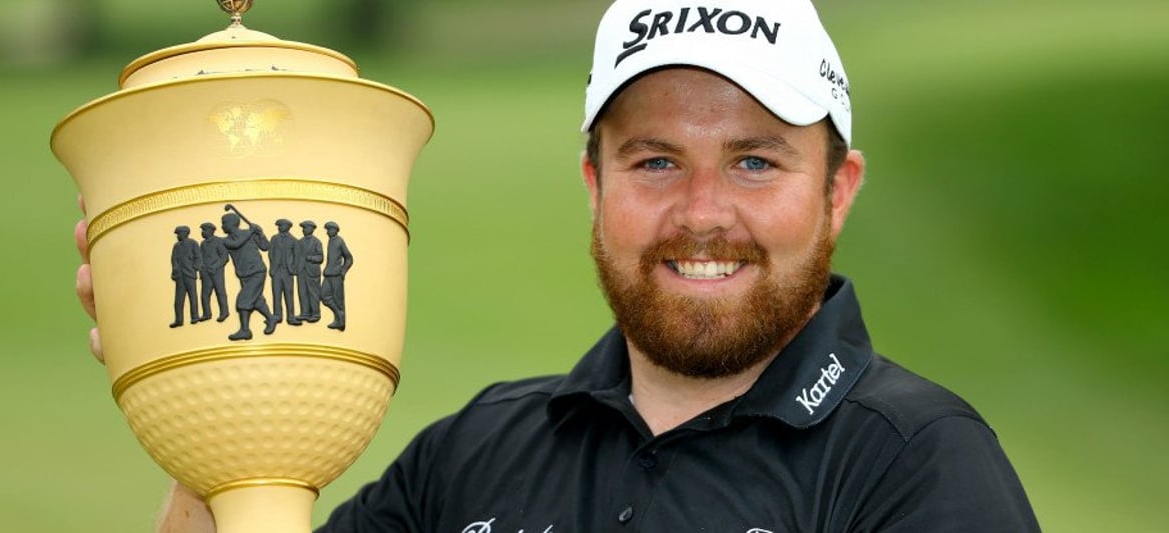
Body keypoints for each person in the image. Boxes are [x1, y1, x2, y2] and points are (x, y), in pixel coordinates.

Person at [73, 0, 1040, 530]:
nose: (702, 214)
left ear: (837, 189)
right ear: (594, 183)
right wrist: (212, 408)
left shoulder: (920, 467)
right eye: (655, 160)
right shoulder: (470, 458)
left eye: (754, 159)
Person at [220, 212, 277, 341]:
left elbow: (265, 246)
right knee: (256, 300)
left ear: (232, 224)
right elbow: (237, 244)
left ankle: (245, 330)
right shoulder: (226, 240)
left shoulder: (249, 233)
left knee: (243, 300)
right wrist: (251, 232)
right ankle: (271, 318)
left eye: (224, 223)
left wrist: (260, 233)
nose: (222, 226)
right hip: (243, 274)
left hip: (257, 271)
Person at [269, 218, 303, 327]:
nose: (279, 227)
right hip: (276, 271)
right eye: (279, 226)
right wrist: (272, 267)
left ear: (287, 227)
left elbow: (297, 256)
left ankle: (291, 317)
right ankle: (277, 316)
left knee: (289, 294)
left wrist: (293, 268)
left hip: (288, 272)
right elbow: (270, 253)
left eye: (281, 225)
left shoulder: (294, 240)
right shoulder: (274, 238)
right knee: (276, 294)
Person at [319, 220, 353, 331]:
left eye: (329, 230)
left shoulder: (339, 241)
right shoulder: (331, 241)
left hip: (336, 275)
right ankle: (339, 315)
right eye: (327, 230)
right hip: (328, 274)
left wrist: (343, 271)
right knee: (324, 296)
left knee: (338, 299)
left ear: (335, 230)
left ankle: (340, 321)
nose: (328, 232)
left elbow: (349, 258)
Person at [197, 222, 230, 324]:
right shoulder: (202, 244)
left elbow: (224, 257)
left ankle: (224, 312)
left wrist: (215, 266)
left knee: (220, 292)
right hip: (206, 272)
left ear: (211, 231)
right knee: (205, 295)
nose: (203, 232)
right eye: (202, 230)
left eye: (204, 230)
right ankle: (207, 313)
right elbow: (200, 258)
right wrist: (201, 269)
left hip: (216, 272)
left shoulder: (219, 241)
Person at [168, 225, 200, 328]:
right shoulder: (176, 246)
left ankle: (194, 317)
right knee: (178, 300)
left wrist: (194, 267)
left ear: (185, 233)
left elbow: (198, 257)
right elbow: (173, 259)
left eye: (179, 233)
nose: (177, 236)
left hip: (190, 274)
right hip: (180, 276)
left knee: (192, 297)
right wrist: (175, 270)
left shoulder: (192, 243)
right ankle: (179, 320)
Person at [296, 219, 324, 323]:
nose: (304, 230)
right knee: (302, 292)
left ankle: (316, 314)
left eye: (306, 228)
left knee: (313, 293)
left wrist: (311, 258)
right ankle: (305, 313)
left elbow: (320, 257)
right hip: (301, 271)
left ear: (311, 229)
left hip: (312, 272)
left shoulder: (317, 242)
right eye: (303, 228)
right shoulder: (299, 242)